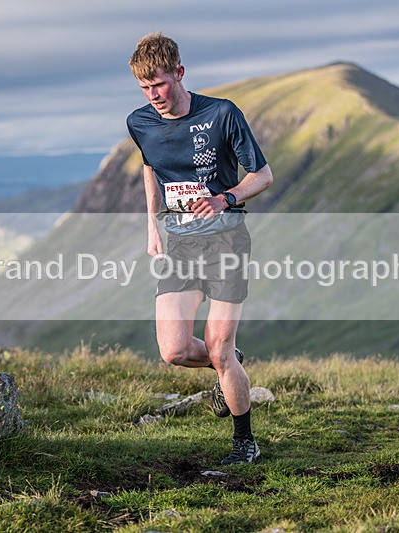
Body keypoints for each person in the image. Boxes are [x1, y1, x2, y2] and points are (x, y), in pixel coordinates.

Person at [126, 32, 274, 465]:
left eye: (160, 84)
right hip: (181, 243)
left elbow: (263, 175)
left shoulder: (222, 114)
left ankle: (244, 442)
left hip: (228, 239)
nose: (154, 95)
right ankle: (226, 362)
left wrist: (224, 198)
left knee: (218, 347)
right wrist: (152, 225)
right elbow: (151, 168)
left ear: (179, 73)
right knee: (173, 350)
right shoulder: (140, 123)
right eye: (145, 88)